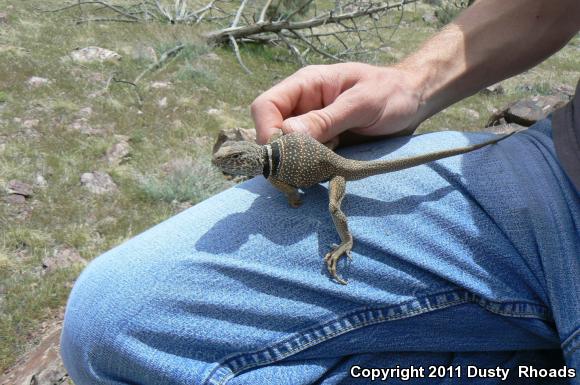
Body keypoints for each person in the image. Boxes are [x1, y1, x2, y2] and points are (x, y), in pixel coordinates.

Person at [61, 0, 580, 384]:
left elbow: (291, 193)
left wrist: (332, 230)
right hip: (554, 164)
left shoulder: (280, 176)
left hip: (339, 176)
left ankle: (346, 246)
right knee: (112, 319)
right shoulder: (271, 165)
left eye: (234, 163)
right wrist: (413, 83)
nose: (232, 166)